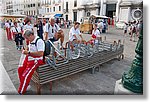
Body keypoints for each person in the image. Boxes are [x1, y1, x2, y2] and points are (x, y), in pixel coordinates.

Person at [18, 29, 45, 95]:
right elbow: (30, 48)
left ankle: (21, 91)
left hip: (37, 59)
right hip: (30, 57)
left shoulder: (39, 41)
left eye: (27, 38)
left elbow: (41, 54)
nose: (27, 40)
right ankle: (25, 85)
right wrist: (26, 50)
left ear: (31, 35)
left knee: (25, 75)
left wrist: (28, 53)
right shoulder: (31, 40)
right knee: (20, 69)